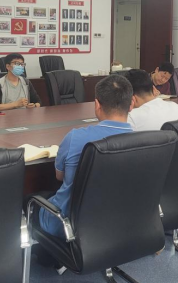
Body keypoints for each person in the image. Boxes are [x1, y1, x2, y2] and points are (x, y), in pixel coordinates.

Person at [39, 75, 134, 238]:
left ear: (96, 104)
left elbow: (59, 176)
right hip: (119, 223)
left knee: (32, 200)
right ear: (132, 104)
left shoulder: (75, 137)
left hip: (70, 226)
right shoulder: (142, 141)